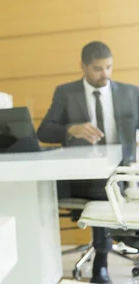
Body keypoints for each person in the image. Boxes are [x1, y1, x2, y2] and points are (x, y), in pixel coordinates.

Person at [37, 41, 139, 284]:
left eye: (109, 67)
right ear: (82, 66)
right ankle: (101, 264)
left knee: (109, 183)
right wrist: (71, 130)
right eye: (97, 69)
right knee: (104, 186)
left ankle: (116, 249)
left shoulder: (130, 92)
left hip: (122, 172)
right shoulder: (66, 93)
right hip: (81, 175)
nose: (105, 74)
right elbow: (43, 132)